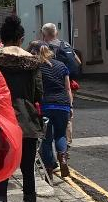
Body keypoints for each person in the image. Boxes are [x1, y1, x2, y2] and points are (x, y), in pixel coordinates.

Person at [0, 16, 44, 202]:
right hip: (27, 121)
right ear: (21, 39)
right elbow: (38, 93)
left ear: (2, 39)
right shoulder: (33, 63)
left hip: (0, 121)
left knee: (2, 170)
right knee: (28, 170)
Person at [38, 45, 73, 178]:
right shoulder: (62, 66)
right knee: (61, 135)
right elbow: (68, 88)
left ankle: (48, 170)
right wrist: (70, 106)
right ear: (52, 53)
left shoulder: (38, 67)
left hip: (46, 106)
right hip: (62, 105)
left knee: (46, 139)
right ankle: (63, 158)